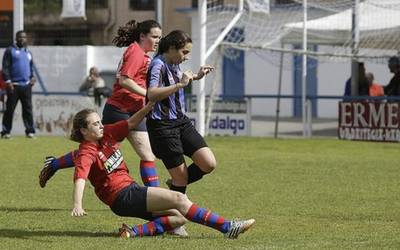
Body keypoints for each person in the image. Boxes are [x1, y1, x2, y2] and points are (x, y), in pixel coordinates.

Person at [69, 105, 255, 239]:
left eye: (100, 121)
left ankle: (132, 232)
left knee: (179, 216)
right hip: (122, 195)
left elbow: (132, 122)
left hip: (128, 194)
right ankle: (228, 227)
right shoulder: (86, 151)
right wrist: (77, 204)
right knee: (180, 199)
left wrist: (149, 106)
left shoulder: (107, 133)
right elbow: (80, 178)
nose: (101, 125)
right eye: (95, 124)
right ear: (84, 131)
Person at [39, 20, 162, 189]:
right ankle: (53, 165)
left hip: (134, 110)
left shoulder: (140, 53)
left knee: (146, 155)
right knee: (96, 151)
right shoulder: (136, 52)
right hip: (120, 110)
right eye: (154, 36)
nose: (157, 40)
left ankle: (157, 198)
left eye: (159, 37)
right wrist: (148, 94)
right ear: (142, 36)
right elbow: (125, 81)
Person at [146, 30, 215, 195]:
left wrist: (196, 77)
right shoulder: (157, 65)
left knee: (208, 163)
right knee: (181, 178)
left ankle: (175, 186)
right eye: (184, 52)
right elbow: (152, 94)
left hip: (181, 121)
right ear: (171, 48)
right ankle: (175, 217)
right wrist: (179, 85)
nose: (186, 56)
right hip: (162, 127)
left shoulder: (174, 63)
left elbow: (179, 81)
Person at [1, 30, 36, 139]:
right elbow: (5, 67)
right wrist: (8, 82)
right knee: (10, 110)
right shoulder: (10, 50)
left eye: (24, 37)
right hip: (13, 86)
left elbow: (31, 68)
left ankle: (30, 131)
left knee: (28, 109)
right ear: (16, 38)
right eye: (20, 37)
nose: (22, 39)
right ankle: (6, 132)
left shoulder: (28, 52)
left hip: (26, 86)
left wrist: (32, 78)